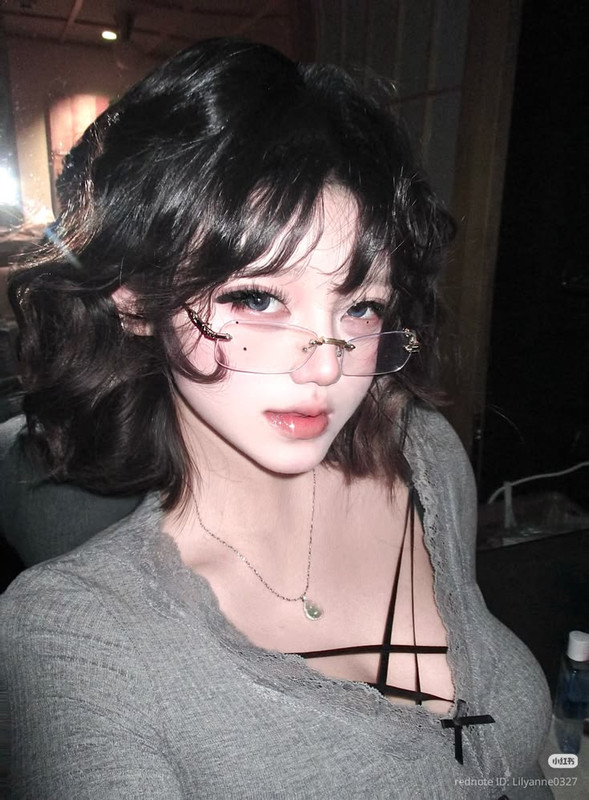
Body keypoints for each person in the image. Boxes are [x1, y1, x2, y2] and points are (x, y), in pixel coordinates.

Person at [0, 38, 552, 799]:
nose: (326, 367)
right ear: (134, 301)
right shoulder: (74, 643)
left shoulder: (424, 458)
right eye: (257, 298)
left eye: (361, 307)